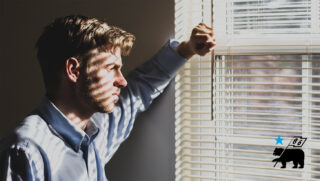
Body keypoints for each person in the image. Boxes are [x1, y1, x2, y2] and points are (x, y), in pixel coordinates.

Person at [0, 15, 215, 180]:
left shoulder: (95, 130)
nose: (122, 81)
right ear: (74, 70)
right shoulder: (25, 150)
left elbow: (139, 89)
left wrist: (186, 49)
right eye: (112, 68)